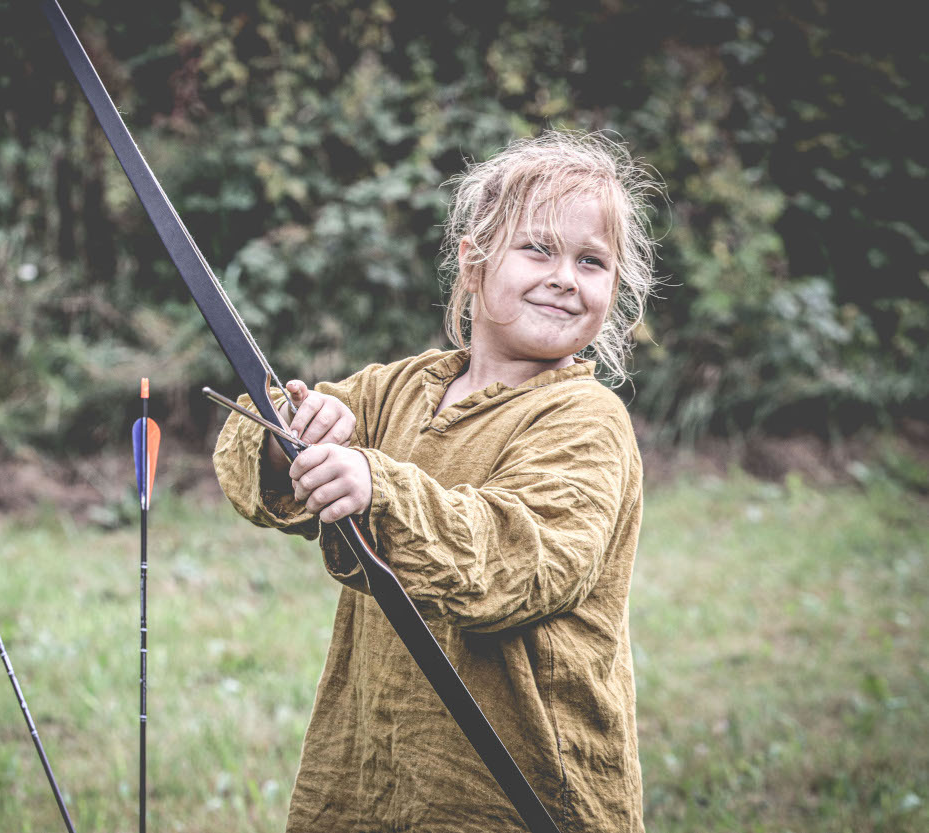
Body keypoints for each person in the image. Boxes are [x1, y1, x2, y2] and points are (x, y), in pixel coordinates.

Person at [212, 130, 661, 833]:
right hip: (373, 770)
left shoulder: (586, 418)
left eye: (592, 261)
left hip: (517, 787)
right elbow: (257, 449)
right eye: (538, 248)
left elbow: (525, 558)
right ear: (473, 263)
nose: (565, 277)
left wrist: (375, 486)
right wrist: (297, 433)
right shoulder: (398, 390)